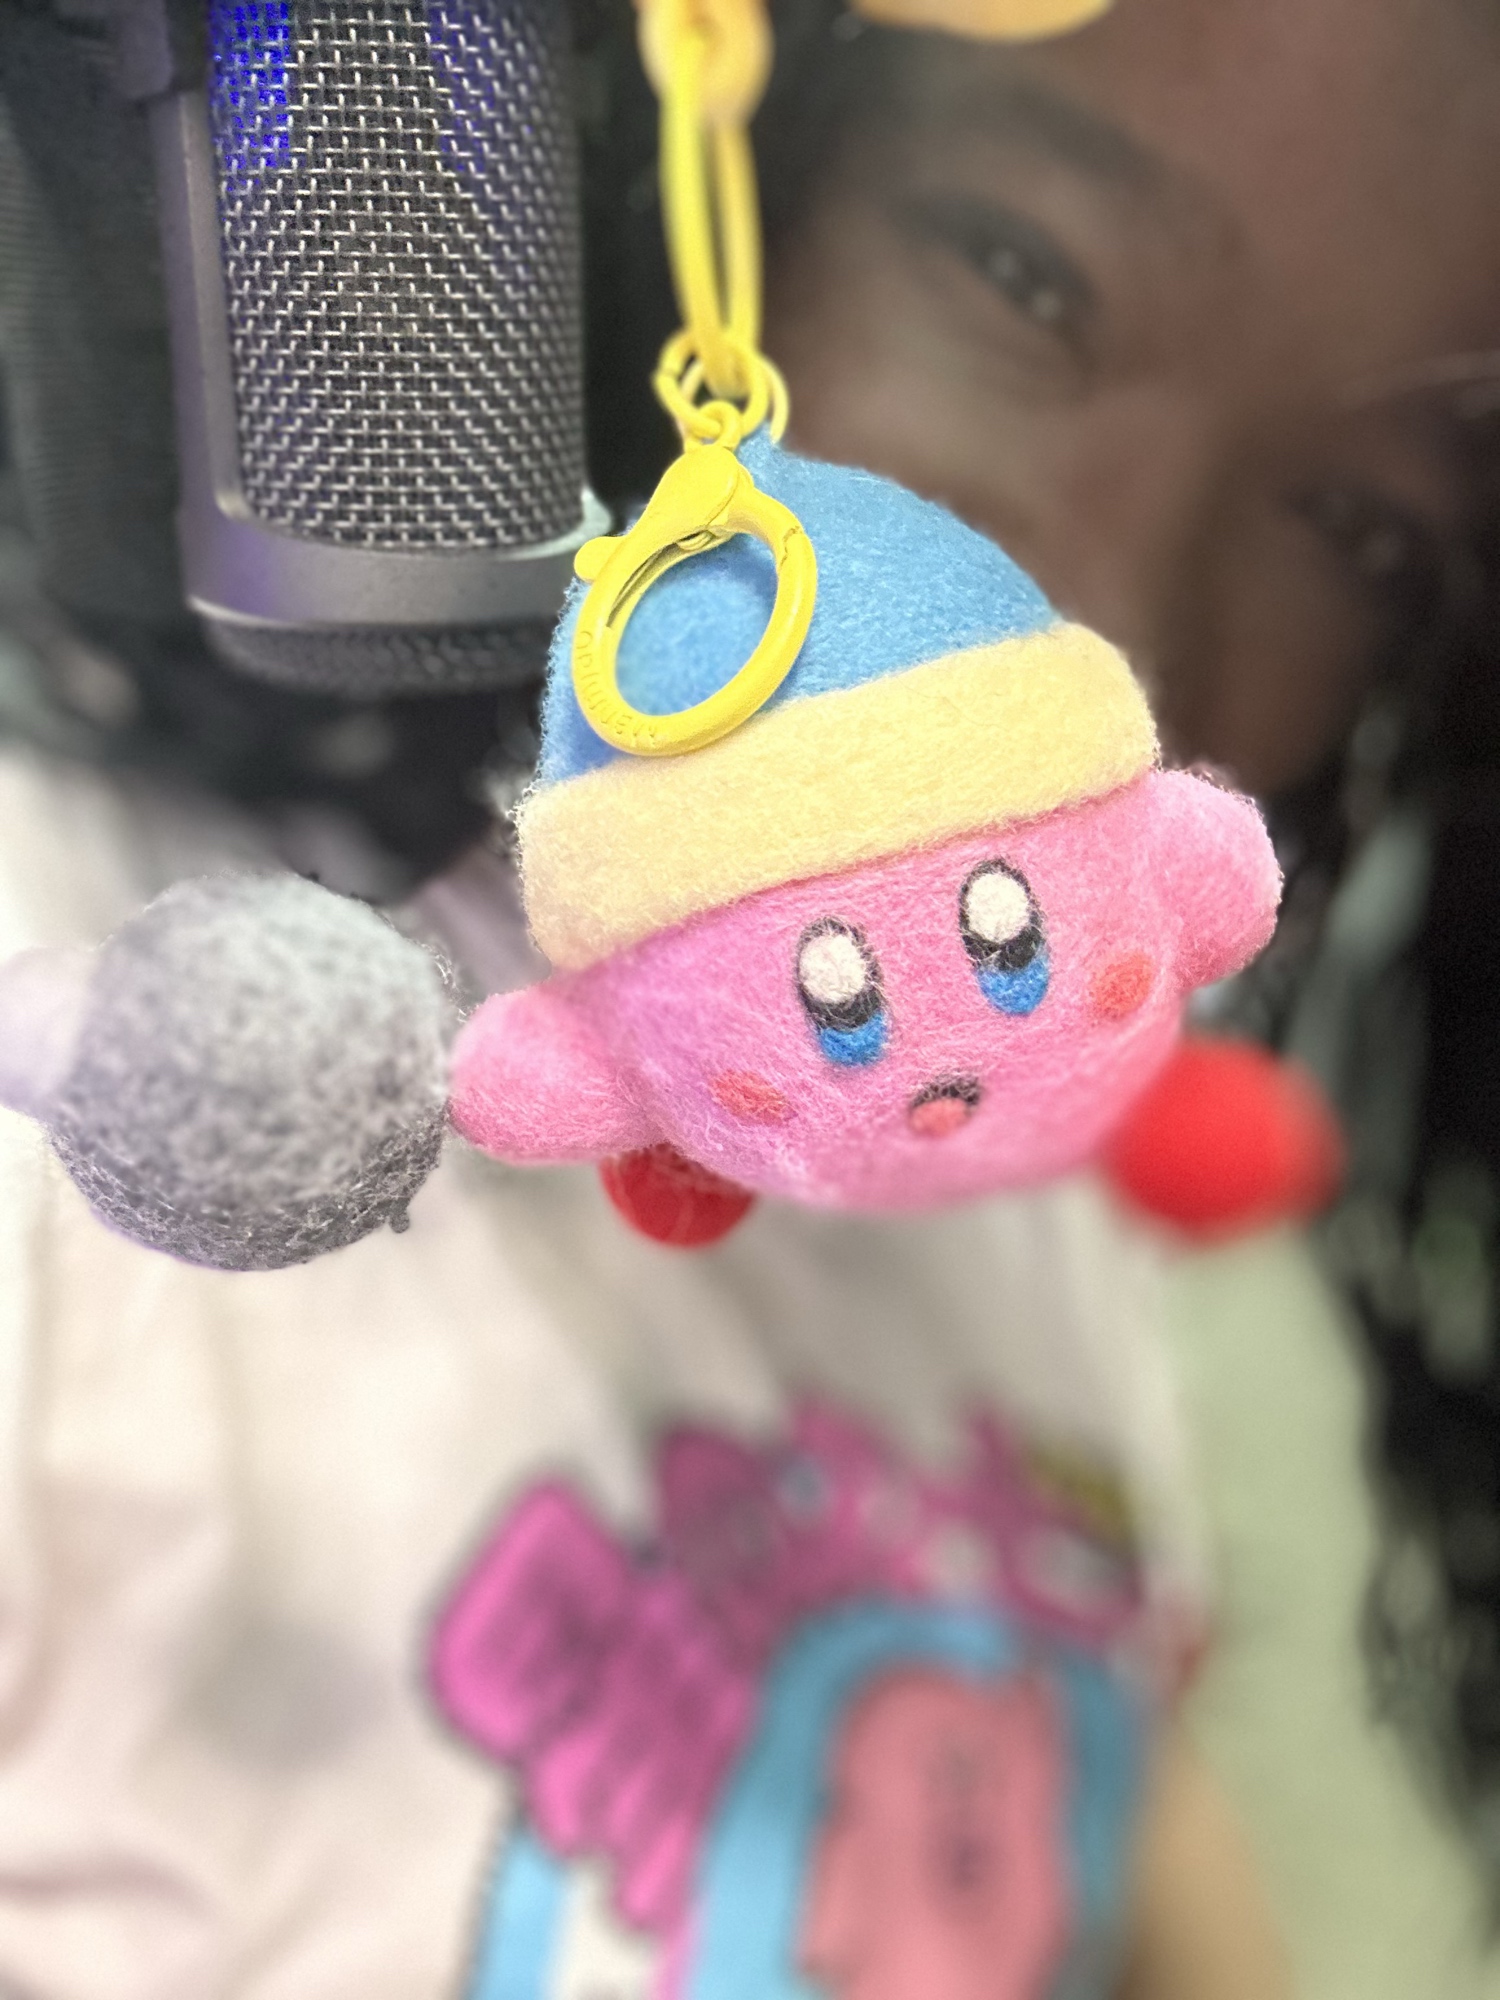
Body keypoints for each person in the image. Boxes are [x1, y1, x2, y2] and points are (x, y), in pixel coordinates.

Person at [0, 1, 1497, 1996]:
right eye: (1022, 272)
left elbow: (1118, 1767)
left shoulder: (970, 1103)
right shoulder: (71, 1056)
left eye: (1358, 523)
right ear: (641, 181)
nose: (1117, 612)